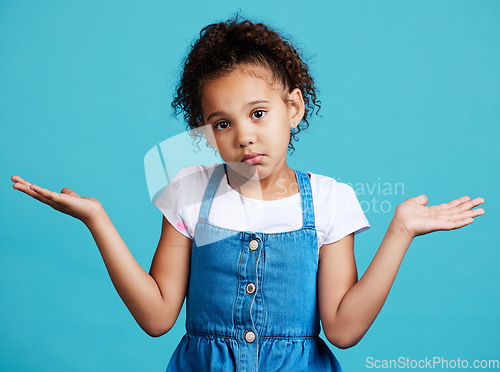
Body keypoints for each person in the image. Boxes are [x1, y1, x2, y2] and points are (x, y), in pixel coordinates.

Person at [11, 17, 485, 372]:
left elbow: (342, 329)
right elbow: (157, 317)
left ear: (293, 107)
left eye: (258, 113)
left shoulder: (330, 199)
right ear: (206, 132)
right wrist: (98, 220)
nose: (244, 136)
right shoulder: (189, 190)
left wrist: (400, 231)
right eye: (223, 123)